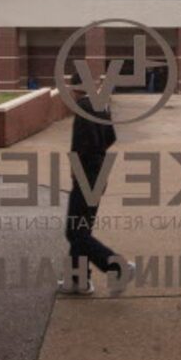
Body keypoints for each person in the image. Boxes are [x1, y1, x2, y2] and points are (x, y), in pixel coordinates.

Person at [58, 70, 134, 295]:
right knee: (82, 229)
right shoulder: (101, 105)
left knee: (74, 233)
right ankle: (78, 280)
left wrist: (76, 169)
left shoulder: (83, 108)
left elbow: (81, 148)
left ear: (73, 89)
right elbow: (111, 137)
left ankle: (117, 266)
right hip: (99, 172)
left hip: (86, 175)